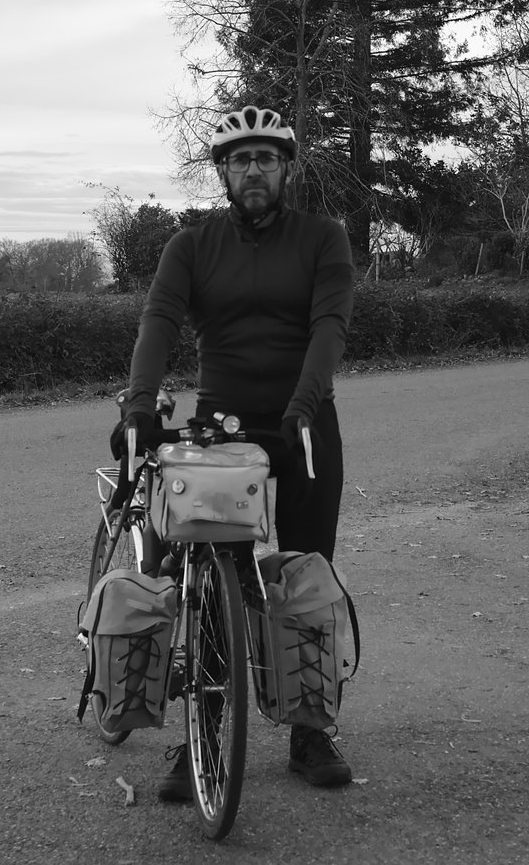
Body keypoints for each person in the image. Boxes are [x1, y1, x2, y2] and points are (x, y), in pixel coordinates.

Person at [112, 104, 357, 796]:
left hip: (302, 420)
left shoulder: (323, 238)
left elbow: (329, 328)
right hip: (220, 426)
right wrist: (139, 404)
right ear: (222, 171)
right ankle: (205, 728)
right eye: (241, 159)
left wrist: (303, 405)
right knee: (204, 575)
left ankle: (309, 730)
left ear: (287, 169)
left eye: (267, 158)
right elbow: (159, 321)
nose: (254, 170)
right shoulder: (191, 246)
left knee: (307, 574)